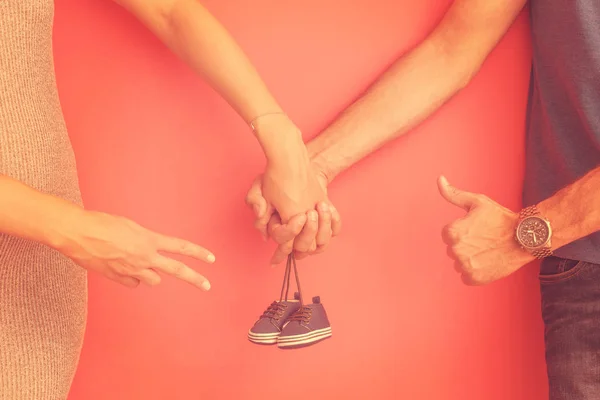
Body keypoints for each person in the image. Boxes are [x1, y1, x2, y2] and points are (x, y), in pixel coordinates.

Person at [246, 1, 600, 398]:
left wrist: (534, 231)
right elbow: (453, 48)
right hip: (582, 268)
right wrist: (308, 170)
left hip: (565, 242)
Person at [0, 0, 336, 398]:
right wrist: (74, 230)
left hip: (33, 267)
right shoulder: (73, 232)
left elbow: (170, 10)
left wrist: (284, 143)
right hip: (61, 233)